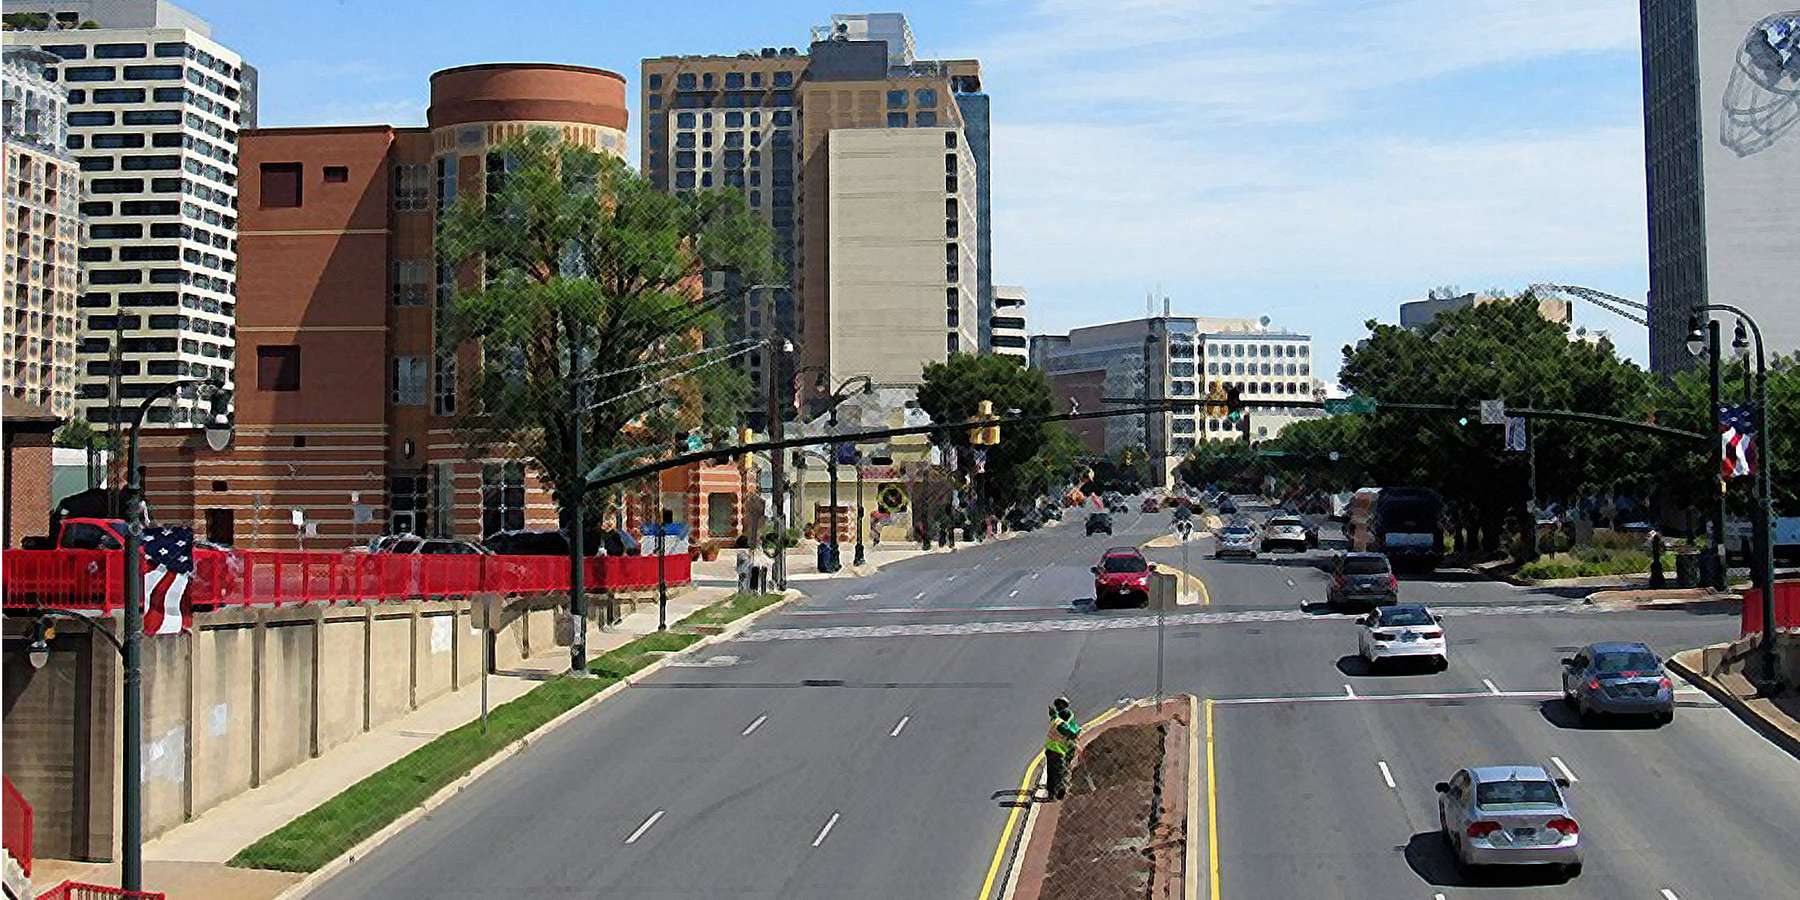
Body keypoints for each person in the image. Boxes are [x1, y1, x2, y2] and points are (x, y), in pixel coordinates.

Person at [1042, 696, 1081, 801]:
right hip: (1058, 751)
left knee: (1052, 772)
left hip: (1051, 750)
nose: (1059, 707)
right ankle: (1060, 793)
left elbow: (1071, 731)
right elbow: (1072, 733)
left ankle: (1052, 793)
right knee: (1060, 772)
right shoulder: (1060, 721)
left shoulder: (1057, 719)